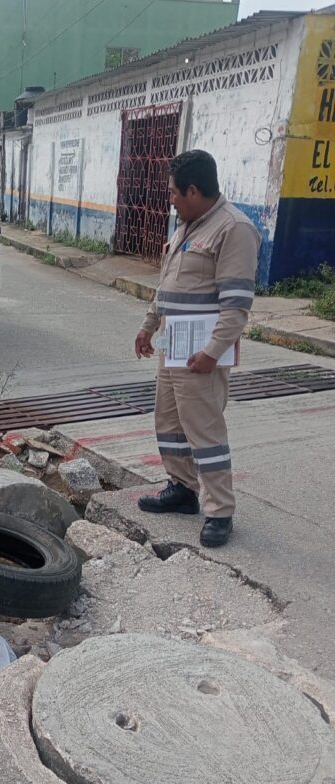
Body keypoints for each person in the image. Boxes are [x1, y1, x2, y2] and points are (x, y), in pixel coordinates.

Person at [135, 149, 260, 548]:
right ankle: (182, 489)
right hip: (173, 345)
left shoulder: (234, 229)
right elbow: (167, 286)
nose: (170, 199)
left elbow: (236, 305)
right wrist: (148, 326)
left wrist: (212, 352)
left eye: (174, 192)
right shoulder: (186, 225)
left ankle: (220, 511)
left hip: (201, 354)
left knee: (205, 433)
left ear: (193, 190)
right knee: (169, 424)